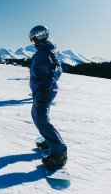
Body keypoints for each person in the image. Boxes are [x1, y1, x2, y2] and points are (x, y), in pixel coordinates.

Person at [29, 25, 67, 167]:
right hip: (40, 90)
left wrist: (45, 86)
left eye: (32, 39)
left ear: (37, 37)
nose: (32, 42)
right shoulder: (42, 51)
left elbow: (57, 69)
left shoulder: (47, 51)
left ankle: (59, 153)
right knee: (36, 115)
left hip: (46, 90)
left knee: (41, 118)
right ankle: (50, 140)